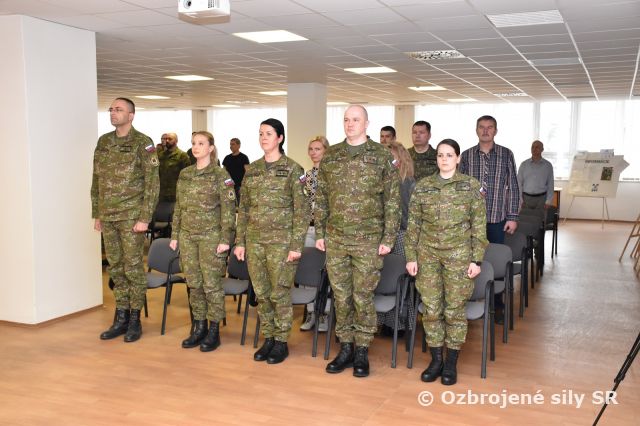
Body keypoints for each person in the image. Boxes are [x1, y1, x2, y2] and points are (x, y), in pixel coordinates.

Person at [315, 105, 401, 378]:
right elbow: (321, 198)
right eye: (346, 119)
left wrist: (388, 238)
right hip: (337, 238)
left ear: (366, 123)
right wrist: (320, 233)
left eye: (355, 119)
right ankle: (346, 347)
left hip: (368, 240)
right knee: (341, 296)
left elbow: (392, 200)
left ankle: (362, 349)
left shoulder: (381, 155)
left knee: (362, 296)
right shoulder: (332, 155)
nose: (350, 124)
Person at [405, 139, 488, 386]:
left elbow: (479, 225)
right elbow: (413, 225)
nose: (444, 159)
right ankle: (436, 360)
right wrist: (411, 257)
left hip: (459, 256)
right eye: (440, 155)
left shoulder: (470, 186)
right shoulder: (423, 186)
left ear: (458, 158)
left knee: (454, 309)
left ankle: (451, 362)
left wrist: (476, 259)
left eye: (449, 155)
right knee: (431, 309)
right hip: (428, 255)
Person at [234, 118, 309, 364]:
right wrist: (240, 241)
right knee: (262, 294)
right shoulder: (253, 170)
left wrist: (296, 246)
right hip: (255, 242)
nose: (263, 138)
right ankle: (269, 336)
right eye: (260, 133)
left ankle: (281, 341)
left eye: (268, 133)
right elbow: (244, 208)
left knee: (280, 294)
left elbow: (302, 212)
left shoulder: (293, 169)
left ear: (280, 138)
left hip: (281, 244)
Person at [91, 97, 159, 343]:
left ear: (131, 115)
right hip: (108, 215)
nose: (113, 112)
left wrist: (145, 218)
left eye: (118, 109)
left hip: (132, 217)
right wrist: (97, 212)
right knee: (116, 269)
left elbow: (152, 183)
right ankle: (120, 317)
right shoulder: (104, 141)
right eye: (111, 109)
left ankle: (134, 319)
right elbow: (96, 178)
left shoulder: (143, 143)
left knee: (133, 269)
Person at [169, 131, 236, 352]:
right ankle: (199, 326)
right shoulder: (185, 174)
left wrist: (226, 239)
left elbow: (229, 210)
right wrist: (175, 235)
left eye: (201, 143)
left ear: (210, 148)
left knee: (211, 285)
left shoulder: (220, 175)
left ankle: (214, 329)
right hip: (188, 236)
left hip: (211, 237)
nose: (196, 147)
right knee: (194, 284)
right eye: (193, 143)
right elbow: (179, 207)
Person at [459, 115, 519, 324]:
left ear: (495, 131)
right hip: (469, 221)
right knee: (470, 261)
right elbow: (459, 186)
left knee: (494, 262)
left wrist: (512, 217)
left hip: (496, 218)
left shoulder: (506, 154)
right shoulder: (467, 155)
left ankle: (496, 305)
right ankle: (470, 299)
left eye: (489, 127)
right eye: (482, 127)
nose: (485, 131)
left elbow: (513, 186)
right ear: (476, 130)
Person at [379, 140, 415, 335]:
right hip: (384, 236)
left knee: (401, 281)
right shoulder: (382, 181)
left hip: (401, 235)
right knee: (384, 278)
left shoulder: (409, 183)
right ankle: (384, 321)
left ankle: (400, 323)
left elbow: (411, 215)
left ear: (400, 160)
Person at [300, 135, 331, 333]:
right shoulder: (307, 176)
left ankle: (325, 313)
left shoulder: (333, 174)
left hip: (326, 230)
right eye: (311, 149)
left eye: (318, 149)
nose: (313, 152)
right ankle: (311, 312)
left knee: (326, 273)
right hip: (309, 228)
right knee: (307, 270)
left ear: (326, 151)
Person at [517, 140, 555, 223]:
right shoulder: (524, 165)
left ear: (542, 149)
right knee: (525, 221)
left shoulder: (548, 165)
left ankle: (540, 232)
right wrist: (520, 199)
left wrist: (548, 201)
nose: (534, 149)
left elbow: (550, 184)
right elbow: (519, 183)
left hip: (541, 199)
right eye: (532, 147)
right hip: (526, 199)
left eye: (537, 147)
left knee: (540, 222)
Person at [158, 132, 191, 202]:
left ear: (176, 141)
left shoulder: (182, 156)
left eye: (170, 139)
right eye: (166, 139)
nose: (167, 141)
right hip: (162, 194)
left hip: (175, 194)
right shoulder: (160, 155)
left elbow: (187, 176)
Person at [222, 137, 250, 204]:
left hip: (240, 186)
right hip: (229, 186)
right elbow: (223, 173)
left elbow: (248, 172)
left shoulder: (244, 157)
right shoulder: (227, 158)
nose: (231, 146)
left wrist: (243, 186)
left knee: (240, 205)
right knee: (230, 205)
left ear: (238, 145)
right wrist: (228, 184)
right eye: (230, 144)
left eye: (233, 144)